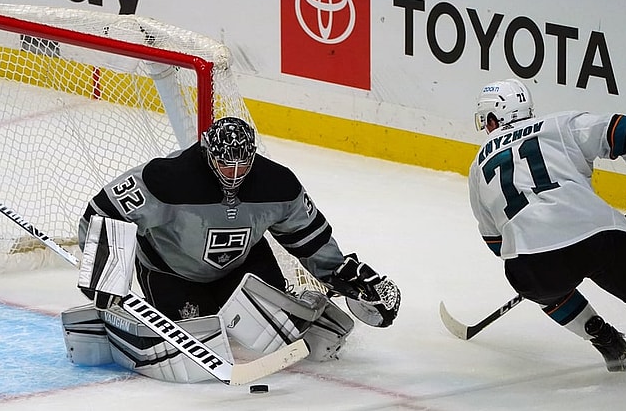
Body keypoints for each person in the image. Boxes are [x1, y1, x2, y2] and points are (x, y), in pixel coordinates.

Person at [62, 116, 400, 383]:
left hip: (244, 267)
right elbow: (102, 213)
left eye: (242, 164)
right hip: (172, 271)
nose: (234, 174)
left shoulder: (278, 183)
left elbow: (308, 235)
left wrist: (341, 274)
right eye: (225, 164)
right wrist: (106, 273)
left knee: (296, 338)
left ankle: (292, 304)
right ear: (209, 154)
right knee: (197, 346)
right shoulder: (166, 177)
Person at [467, 78, 626, 372]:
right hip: (598, 237)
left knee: (548, 291)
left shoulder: (478, 165)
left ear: (493, 117)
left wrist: (537, 260)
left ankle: (602, 338)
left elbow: (495, 241)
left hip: (529, 262)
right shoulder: (558, 125)